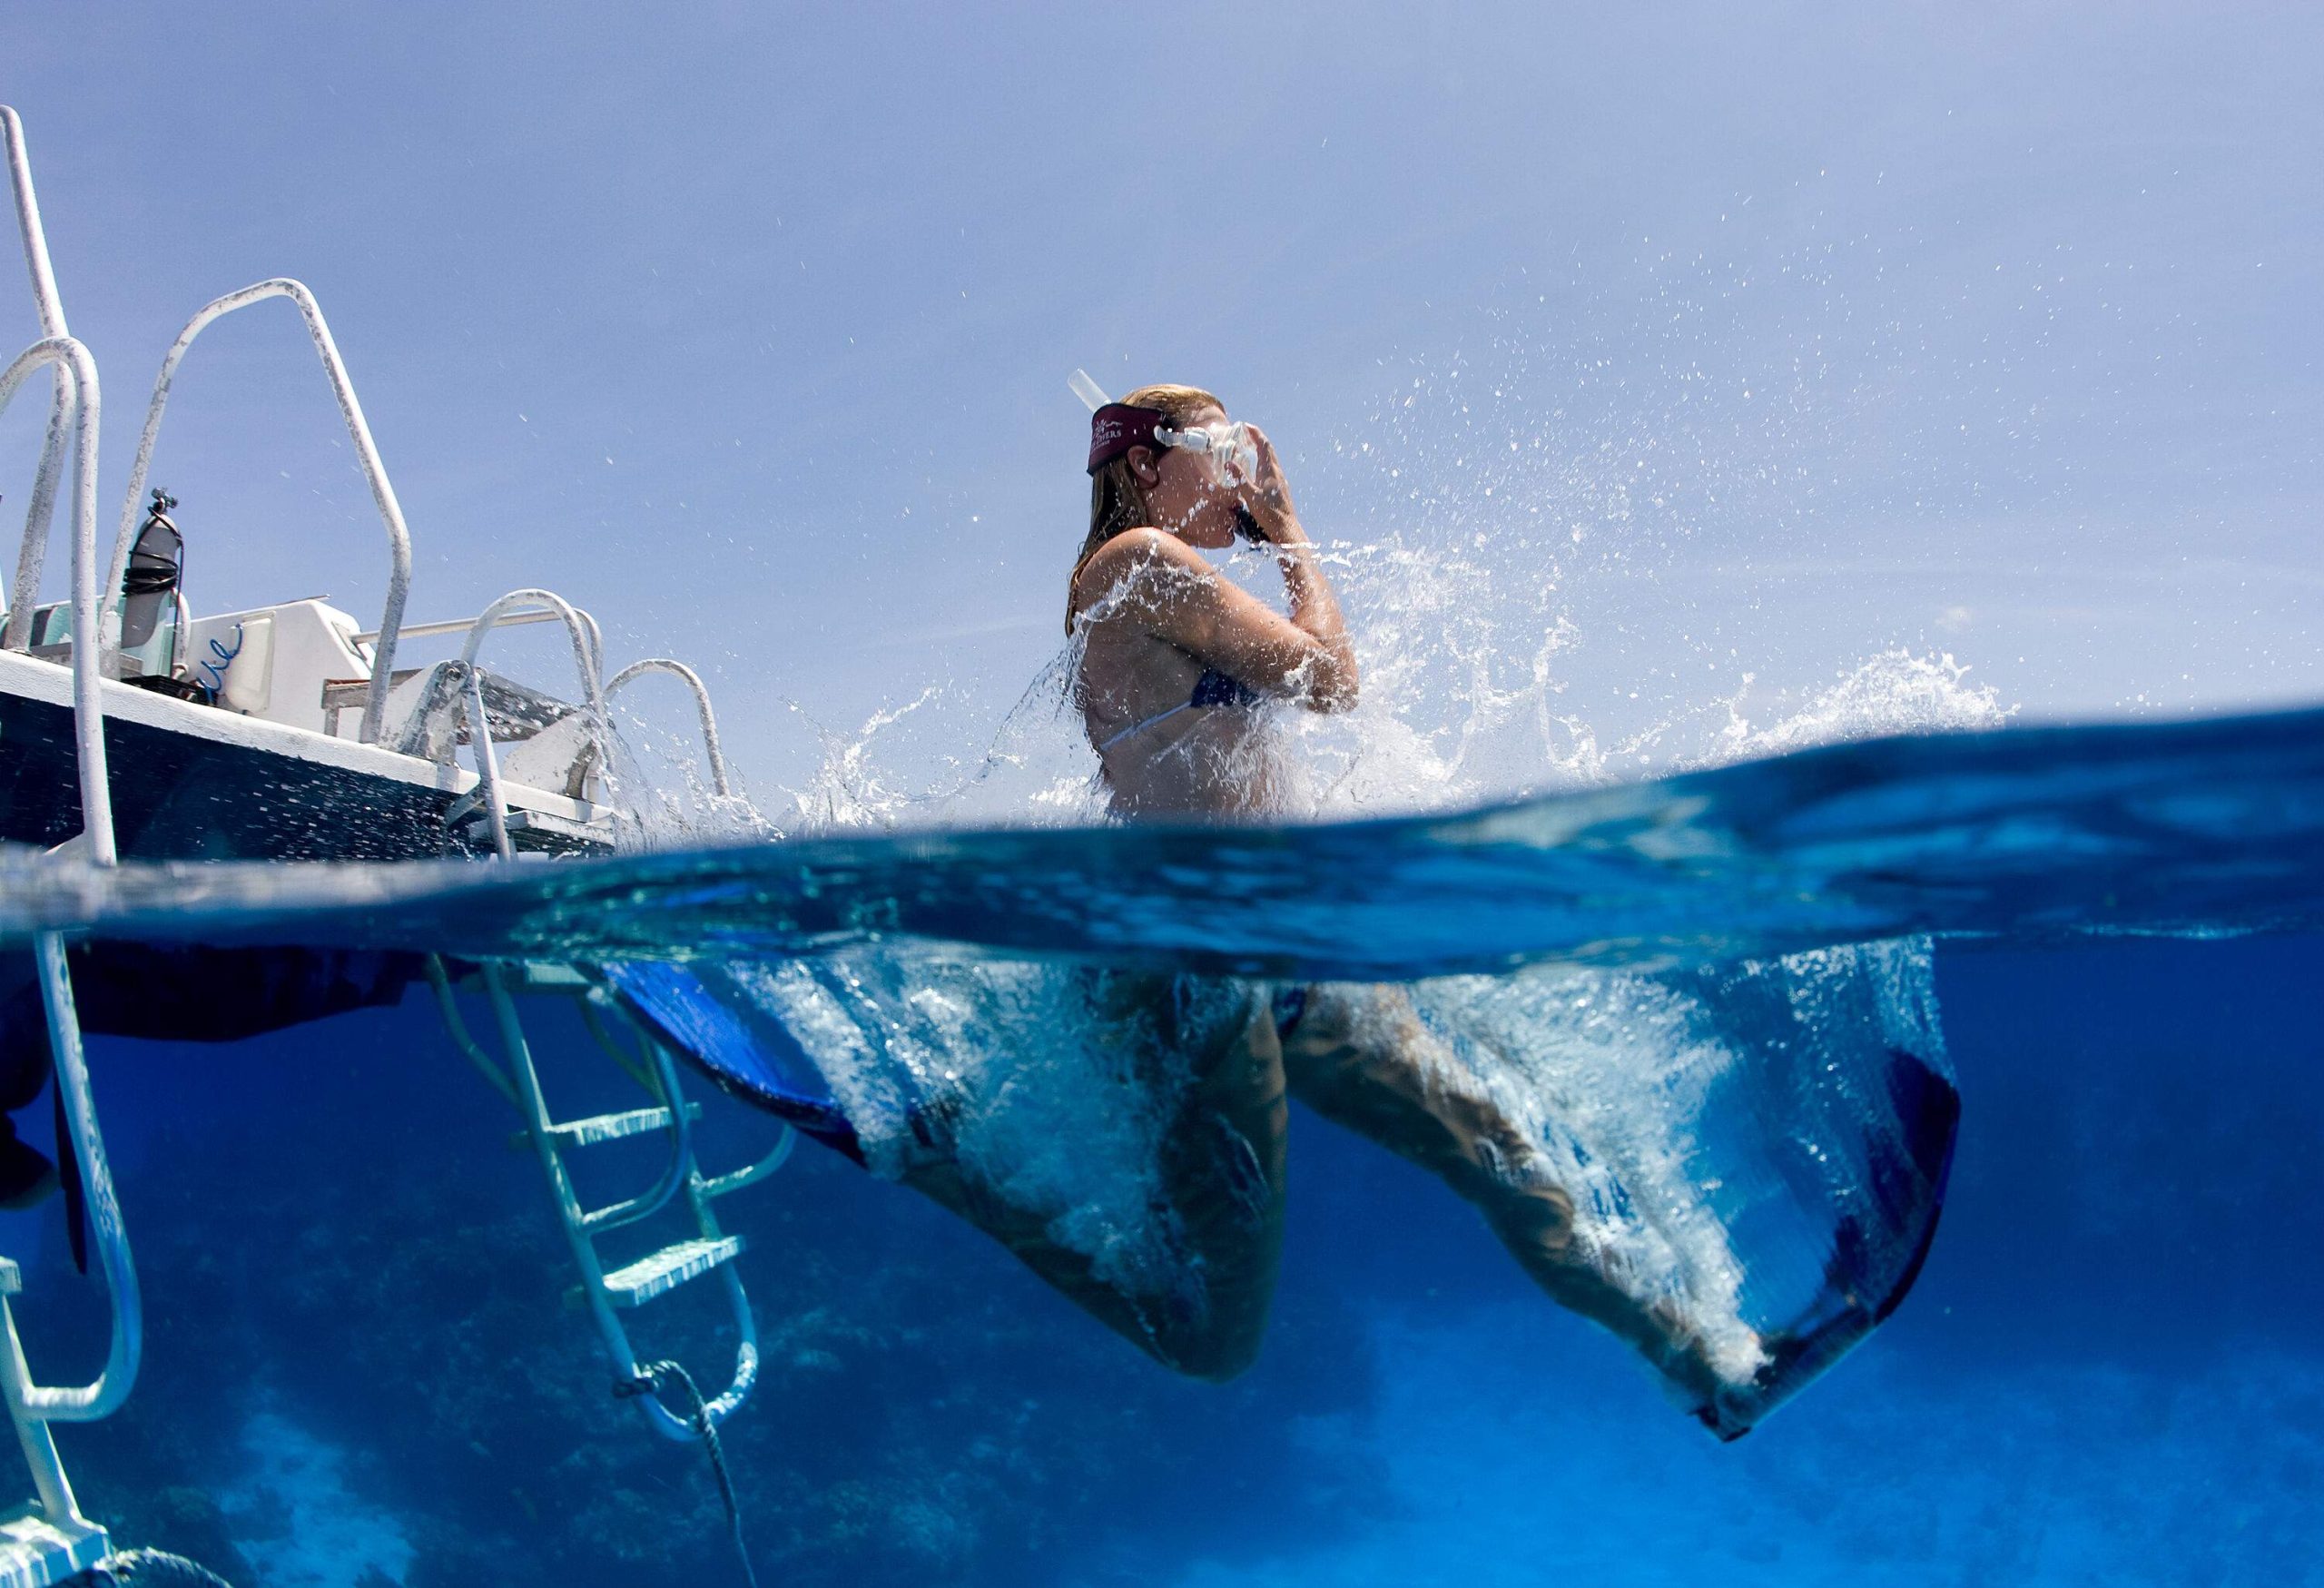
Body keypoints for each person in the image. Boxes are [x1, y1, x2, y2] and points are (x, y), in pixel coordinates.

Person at [905, 383, 1764, 1424]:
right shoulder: (1136, 566)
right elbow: (1331, 682)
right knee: (1215, 1345)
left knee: (1491, 1146)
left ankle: (1702, 1367)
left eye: (1243, 454)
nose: (1240, 475)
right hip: (1191, 973)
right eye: (1217, 450)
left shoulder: (1169, 583)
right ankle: (950, 1164)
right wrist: (1290, 529)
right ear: (1143, 465)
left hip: (1285, 953)